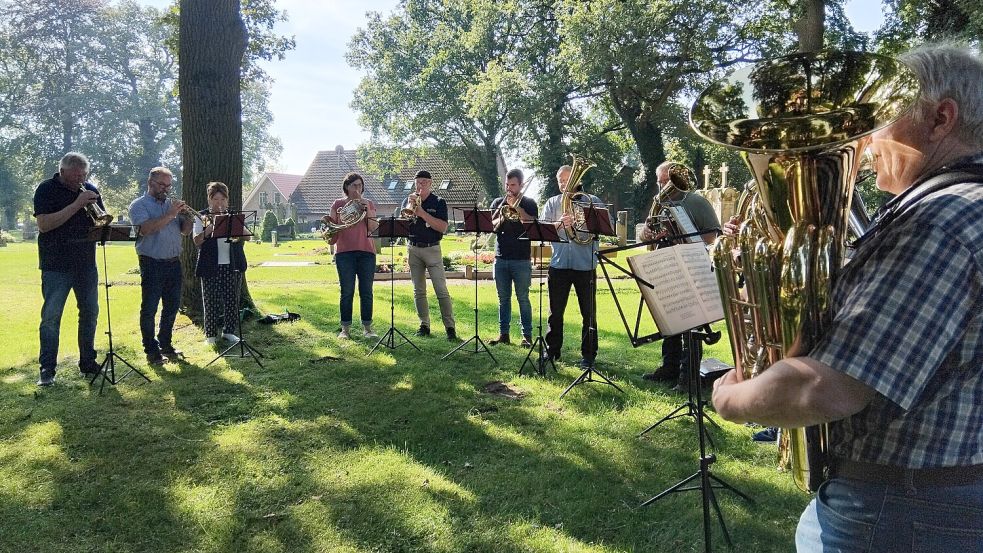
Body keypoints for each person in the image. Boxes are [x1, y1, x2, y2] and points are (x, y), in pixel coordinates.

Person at [711, 43, 983, 551]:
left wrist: (732, 399)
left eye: (880, 118)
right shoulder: (962, 207)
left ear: (941, 118)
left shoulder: (938, 223)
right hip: (919, 497)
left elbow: (825, 388)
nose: (867, 138)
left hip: (901, 510)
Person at [640, 161, 720, 389]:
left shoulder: (696, 201)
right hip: (666, 267)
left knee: (691, 323)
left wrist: (682, 237)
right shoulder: (660, 204)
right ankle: (670, 368)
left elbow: (712, 235)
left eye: (665, 181)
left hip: (690, 266)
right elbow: (650, 235)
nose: (662, 186)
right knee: (670, 319)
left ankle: (689, 375)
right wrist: (647, 233)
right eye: (660, 181)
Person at [32, 152, 105, 386]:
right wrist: (77, 204)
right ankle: (47, 369)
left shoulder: (90, 189)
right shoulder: (46, 189)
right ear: (62, 172)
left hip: (86, 263)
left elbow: (100, 222)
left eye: (83, 175)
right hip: (56, 264)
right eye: (75, 176)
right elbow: (44, 225)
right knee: (52, 317)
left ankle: (88, 362)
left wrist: (102, 225)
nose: (80, 179)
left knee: (90, 313)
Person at [540, 164, 603, 369]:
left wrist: (579, 224)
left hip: (585, 266)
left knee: (589, 313)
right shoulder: (552, 203)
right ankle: (552, 350)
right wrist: (560, 224)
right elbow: (544, 230)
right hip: (559, 265)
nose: (563, 184)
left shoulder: (593, 201)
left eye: (567, 180)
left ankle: (588, 355)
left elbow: (605, 227)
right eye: (560, 180)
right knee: (555, 312)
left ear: (577, 180)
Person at [128, 167, 192, 365]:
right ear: (151, 183)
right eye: (162, 185)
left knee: (172, 306)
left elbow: (185, 232)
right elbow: (146, 229)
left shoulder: (171, 205)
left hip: (174, 262)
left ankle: (166, 343)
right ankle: (151, 349)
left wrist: (187, 216)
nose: (166, 189)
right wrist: (172, 214)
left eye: (168, 185)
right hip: (152, 262)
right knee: (149, 307)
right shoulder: (139, 205)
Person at [488, 168, 538, 347]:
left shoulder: (530, 203)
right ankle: (504, 334)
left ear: (521, 185)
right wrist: (503, 212)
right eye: (507, 185)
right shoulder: (498, 202)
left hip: (521, 259)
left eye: (513, 185)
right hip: (501, 258)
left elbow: (531, 224)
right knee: (503, 299)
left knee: (523, 298)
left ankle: (527, 336)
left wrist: (518, 210)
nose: (509, 188)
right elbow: (491, 226)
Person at [192, 182, 247, 345]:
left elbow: (247, 237)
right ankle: (210, 334)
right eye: (215, 199)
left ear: (227, 200)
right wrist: (210, 228)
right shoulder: (201, 217)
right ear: (209, 199)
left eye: (223, 199)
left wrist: (238, 226)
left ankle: (229, 332)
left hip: (232, 263)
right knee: (210, 300)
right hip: (210, 264)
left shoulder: (233, 215)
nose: (219, 203)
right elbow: (196, 241)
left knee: (232, 300)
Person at [405, 169, 457, 341]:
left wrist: (422, 213)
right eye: (418, 182)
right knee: (418, 291)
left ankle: (450, 328)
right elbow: (403, 223)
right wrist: (409, 212)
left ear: (430, 183)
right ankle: (424, 325)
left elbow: (442, 227)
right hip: (413, 248)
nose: (421, 185)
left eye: (424, 182)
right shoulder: (409, 200)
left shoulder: (439, 202)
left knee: (441, 290)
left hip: (432, 248)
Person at [328, 172, 379, 339]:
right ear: (347, 187)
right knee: (347, 291)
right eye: (354, 186)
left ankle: (367, 328)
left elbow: (372, 228)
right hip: (344, 253)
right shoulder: (338, 204)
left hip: (366, 252)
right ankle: (345, 329)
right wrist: (329, 231)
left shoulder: (368, 203)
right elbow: (332, 233)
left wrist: (365, 207)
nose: (358, 189)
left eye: (360, 185)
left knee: (366, 291)